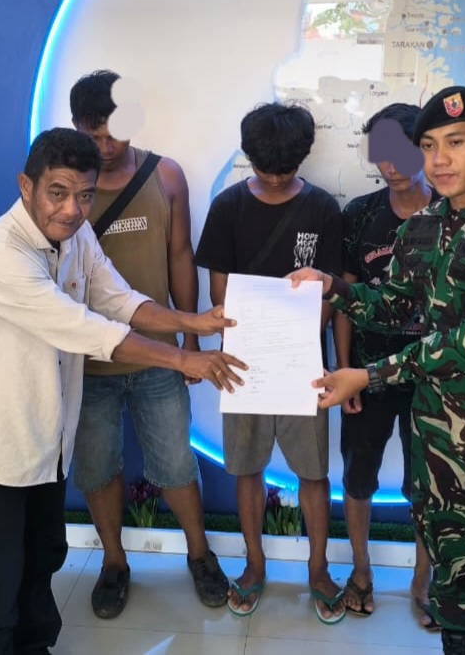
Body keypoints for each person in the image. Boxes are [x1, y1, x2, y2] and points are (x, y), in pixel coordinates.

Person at [300, 86, 465, 655]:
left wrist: (369, 376)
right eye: (429, 146)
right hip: (438, 436)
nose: (440, 159)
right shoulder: (421, 228)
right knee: (452, 574)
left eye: (456, 142)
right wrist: (333, 287)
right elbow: (395, 307)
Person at [0, 127, 245, 655]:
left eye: (85, 195)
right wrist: (183, 356)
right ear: (26, 186)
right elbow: (87, 329)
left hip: (47, 443)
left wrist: (191, 321)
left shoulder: (75, 237)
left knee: (40, 564)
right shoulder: (1, 254)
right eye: (57, 193)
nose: (72, 209)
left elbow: (117, 298)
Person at [68, 70, 229, 618]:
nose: (106, 146)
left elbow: (180, 255)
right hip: (89, 361)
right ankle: (114, 563)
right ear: (76, 129)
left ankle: (200, 555)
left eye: (114, 132)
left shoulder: (167, 176)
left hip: (160, 355)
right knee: (96, 467)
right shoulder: (66, 190)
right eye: (93, 135)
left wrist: (190, 338)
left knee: (176, 462)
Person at [194, 101, 347, 623]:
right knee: (247, 467)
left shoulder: (323, 209)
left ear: (302, 157)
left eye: (286, 169)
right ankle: (254, 564)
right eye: (266, 169)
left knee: (313, 472)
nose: (277, 179)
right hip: (245, 363)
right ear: (249, 156)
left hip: (305, 363)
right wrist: (244, 337)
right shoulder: (228, 207)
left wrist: (304, 335)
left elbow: (332, 294)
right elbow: (220, 295)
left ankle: (319, 570)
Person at [331, 103, 435, 624]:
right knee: (358, 475)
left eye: (401, 151)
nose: (390, 165)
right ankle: (361, 569)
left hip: (433, 377)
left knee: (429, 485)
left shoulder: (453, 214)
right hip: (366, 374)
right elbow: (343, 299)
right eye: (380, 153)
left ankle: (423, 580)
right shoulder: (359, 214)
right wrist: (344, 369)